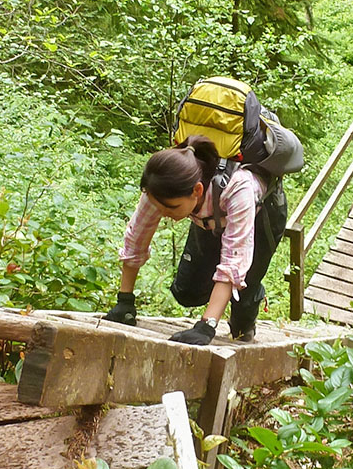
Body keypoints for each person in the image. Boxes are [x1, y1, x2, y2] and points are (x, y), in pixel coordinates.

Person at [103, 134, 288, 345]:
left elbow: (233, 263)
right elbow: (136, 238)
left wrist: (206, 326)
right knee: (188, 292)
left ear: (197, 190)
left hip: (262, 216)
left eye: (170, 208)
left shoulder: (239, 188)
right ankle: (221, 299)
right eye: (158, 207)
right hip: (210, 218)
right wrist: (124, 301)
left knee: (243, 304)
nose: (163, 214)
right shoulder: (160, 185)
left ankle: (250, 298)